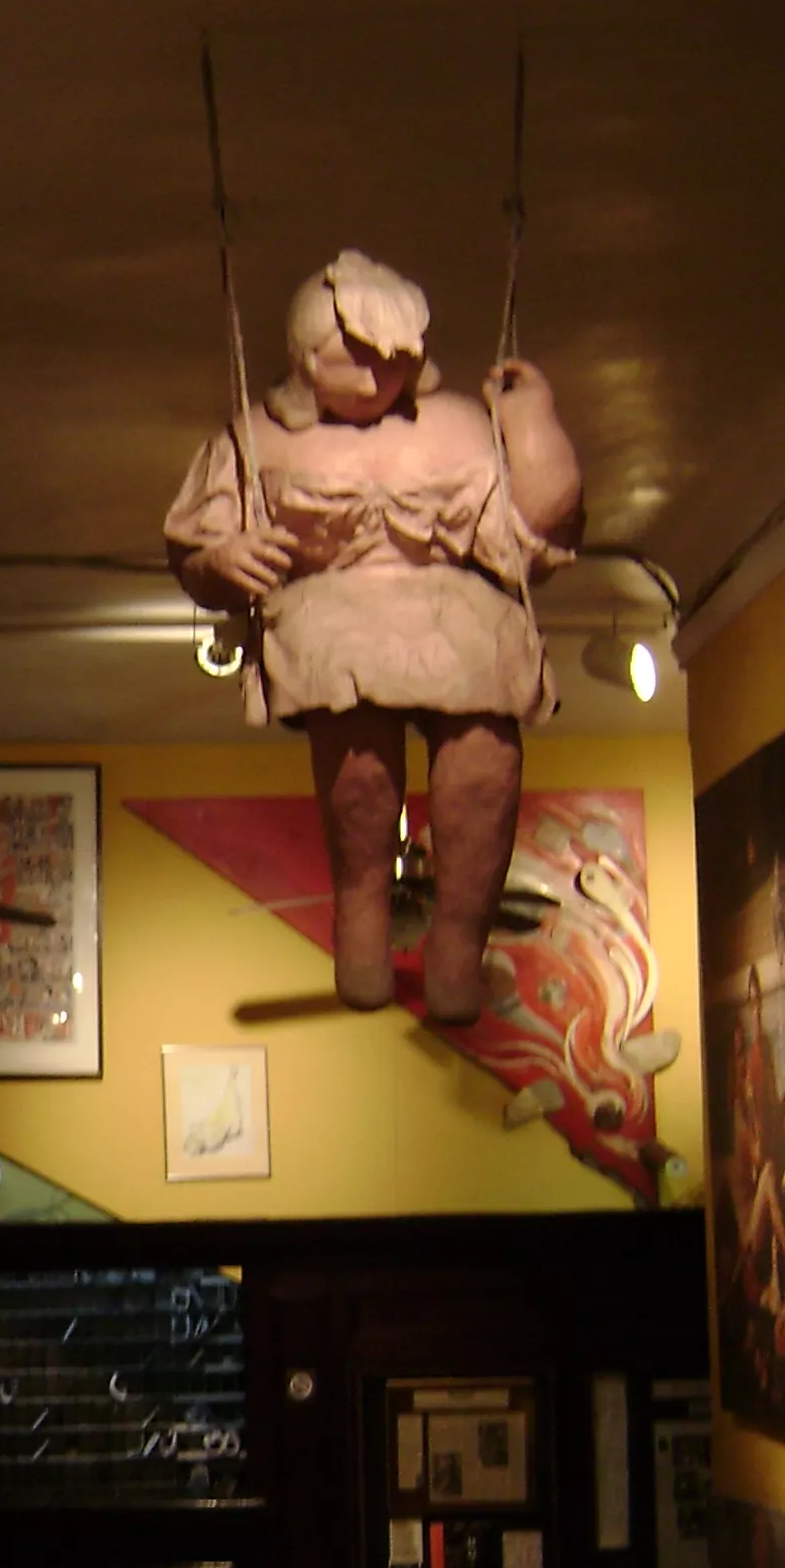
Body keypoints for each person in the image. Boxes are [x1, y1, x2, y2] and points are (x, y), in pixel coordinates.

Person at [165, 249, 583, 1023]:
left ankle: (460, 937)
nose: (373, 378)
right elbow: (196, 545)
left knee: (483, 757)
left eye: (391, 360)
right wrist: (222, 558)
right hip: (332, 610)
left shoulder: (457, 426)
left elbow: (538, 536)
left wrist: (532, 424)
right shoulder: (258, 437)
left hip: (459, 610)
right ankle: (361, 908)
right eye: (350, 359)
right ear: (302, 357)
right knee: (359, 758)